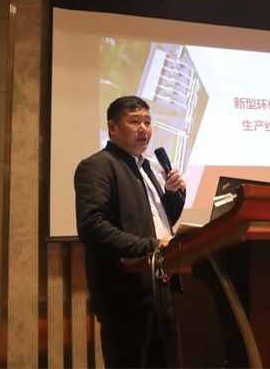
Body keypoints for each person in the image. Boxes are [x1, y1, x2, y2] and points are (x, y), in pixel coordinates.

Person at [74, 96, 187, 368]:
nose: (143, 129)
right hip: (125, 297)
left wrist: (173, 196)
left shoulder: (145, 168)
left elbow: (154, 222)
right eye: (135, 121)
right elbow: (92, 226)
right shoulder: (98, 166)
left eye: (147, 122)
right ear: (112, 127)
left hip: (161, 289)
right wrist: (154, 246)